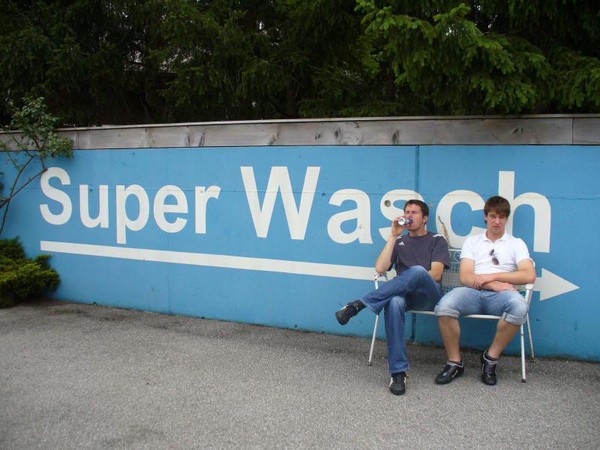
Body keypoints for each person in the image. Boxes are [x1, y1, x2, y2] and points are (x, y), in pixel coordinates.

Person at [335, 199, 450, 395]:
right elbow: (380, 268)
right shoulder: (400, 241)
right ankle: (398, 372)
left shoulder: (437, 239)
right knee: (394, 302)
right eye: (407, 212)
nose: (409, 216)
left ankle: (360, 304)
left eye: (414, 212)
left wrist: (414, 275)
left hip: (429, 295)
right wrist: (393, 236)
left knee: (417, 271)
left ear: (425, 218)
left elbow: (436, 274)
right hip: (404, 296)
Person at [434, 196, 536, 386]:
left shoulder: (516, 243)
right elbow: (465, 277)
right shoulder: (473, 242)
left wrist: (491, 277)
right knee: (444, 307)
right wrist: (493, 284)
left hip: (503, 295)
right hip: (472, 291)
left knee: (520, 307)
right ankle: (455, 362)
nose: (497, 221)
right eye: (493, 216)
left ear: (506, 219)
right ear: (485, 217)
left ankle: (490, 359)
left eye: (501, 217)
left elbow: (529, 275)